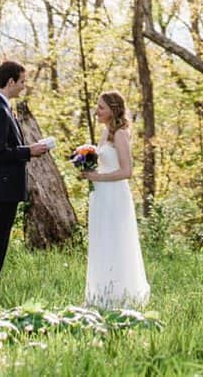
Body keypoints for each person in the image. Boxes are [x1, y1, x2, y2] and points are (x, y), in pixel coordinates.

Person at [0, 60, 52, 304]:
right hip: (0, 189)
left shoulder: (4, 108)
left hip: (4, 189)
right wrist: (30, 151)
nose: (23, 87)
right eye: (22, 82)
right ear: (10, 82)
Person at [85, 90, 150, 308]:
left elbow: (126, 171)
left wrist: (98, 177)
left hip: (115, 195)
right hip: (101, 196)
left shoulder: (121, 134)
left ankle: (120, 295)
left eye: (101, 107)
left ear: (113, 110)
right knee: (102, 242)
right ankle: (101, 293)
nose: (97, 111)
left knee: (116, 242)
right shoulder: (105, 134)